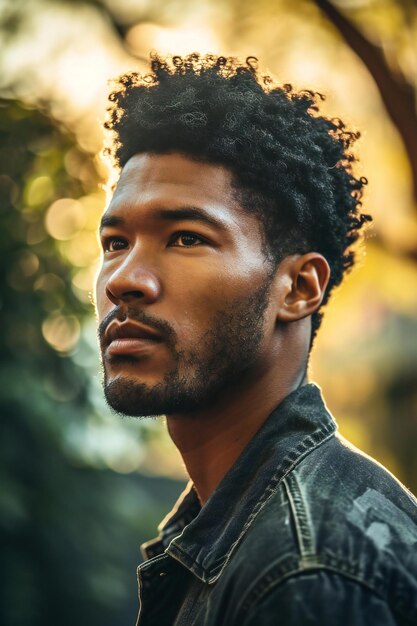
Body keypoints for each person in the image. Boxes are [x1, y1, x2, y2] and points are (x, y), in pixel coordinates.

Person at [95, 53, 417, 625]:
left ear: (298, 287)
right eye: (116, 243)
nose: (124, 280)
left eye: (186, 238)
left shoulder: (307, 572)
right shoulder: (238, 524)